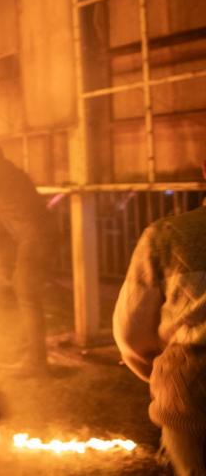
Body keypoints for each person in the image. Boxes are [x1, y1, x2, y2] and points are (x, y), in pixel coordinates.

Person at [113, 161, 206, 476]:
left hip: (191, 395)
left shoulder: (166, 236)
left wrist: (159, 373)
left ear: (205, 170)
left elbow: (130, 333)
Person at [0, 143, 55, 374]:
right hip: (38, 237)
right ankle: (31, 353)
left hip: (34, 239)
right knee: (23, 289)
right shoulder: (10, 173)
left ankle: (36, 362)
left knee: (27, 294)